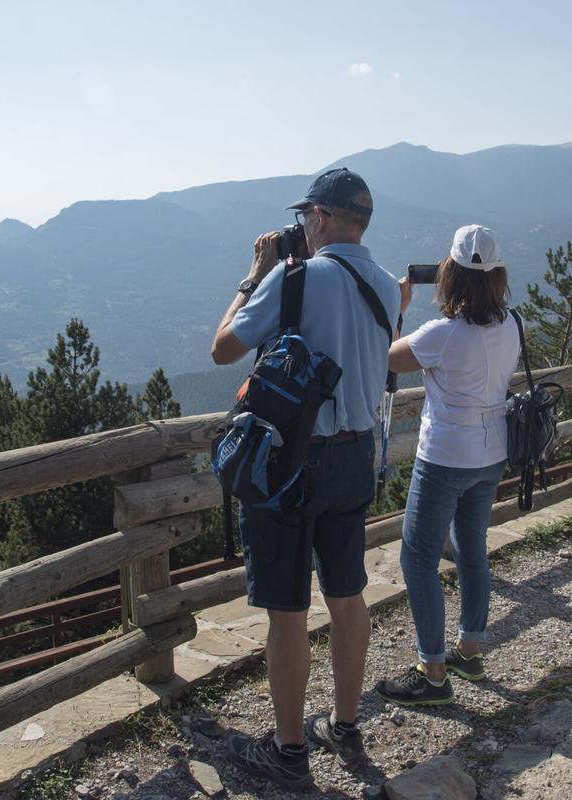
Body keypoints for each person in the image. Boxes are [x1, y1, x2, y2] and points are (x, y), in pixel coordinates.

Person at [210, 168, 400, 787]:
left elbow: (223, 349)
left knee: (287, 612)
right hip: (356, 457)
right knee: (347, 596)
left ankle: (289, 753)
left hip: (289, 465)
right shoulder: (385, 287)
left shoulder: (294, 278)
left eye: (305, 218)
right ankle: (345, 725)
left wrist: (254, 276)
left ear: (318, 217)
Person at [374, 224, 520, 707]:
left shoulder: (441, 334)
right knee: (471, 547)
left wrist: (397, 310)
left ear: (450, 275)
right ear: (496, 276)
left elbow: (389, 360)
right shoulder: (512, 324)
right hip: (491, 452)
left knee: (416, 558)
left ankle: (432, 672)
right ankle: (470, 649)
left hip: (444, 458)